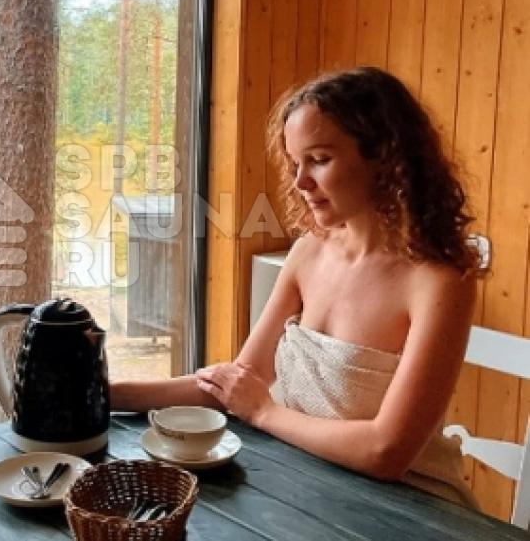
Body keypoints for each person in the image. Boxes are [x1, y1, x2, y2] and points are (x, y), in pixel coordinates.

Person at [111, 66, 481, 508]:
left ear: (385, 156)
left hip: (413, 508)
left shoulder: (438, 281)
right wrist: (105, 393)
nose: (301, 183)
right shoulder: (308, 251)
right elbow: (238, 384)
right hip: (310, 486)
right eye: (294, 163)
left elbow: (387, 453)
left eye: (320, 160)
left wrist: (264, 412)